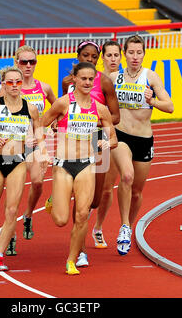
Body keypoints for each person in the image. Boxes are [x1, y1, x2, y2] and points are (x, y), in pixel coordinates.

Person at [41, 62, 117, 275]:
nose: (87, 82)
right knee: (61, 220)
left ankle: (72, 260)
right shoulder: (63, 104)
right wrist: (44, 151)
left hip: (87, 164)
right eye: (83, 78)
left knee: (83, 214)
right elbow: (39, 125)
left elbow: (113, 138)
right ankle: (53, 201)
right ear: (74, 78)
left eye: (90, 79)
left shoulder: (99, 109)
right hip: (63, 165)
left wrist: (105, 142)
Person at [0, 66, 47, 271]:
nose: (14, 86)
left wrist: (42, 151)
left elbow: (38, 132)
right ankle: (2, 243)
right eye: (10, 82)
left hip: (18, 161)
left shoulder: (30, 108)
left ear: (22, 84)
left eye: (18, 82)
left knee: (12, 210)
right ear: (3, 84)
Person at [103, 34, 174, 256]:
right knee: (126, 176)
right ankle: (124, 226)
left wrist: (152, 100)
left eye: (139, 52)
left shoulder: (151, 77)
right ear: (125, 54)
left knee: (137, 192)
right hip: (121, 135)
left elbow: (170, 106)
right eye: (131, 52)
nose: (135, 57)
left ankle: (129, 225)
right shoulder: (114, 78)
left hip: (144, 139)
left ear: (144, 54)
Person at [0, 45, 56, 256]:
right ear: (16, 63)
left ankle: (29, 215)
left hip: (36, 143)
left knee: (38, 182)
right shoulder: (8, 88)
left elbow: (58, 107)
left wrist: (55, 123)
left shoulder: (44, 87)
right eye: (24, 62)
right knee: (14, 192)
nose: (28, 66)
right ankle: (11, 234)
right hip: (13, 145)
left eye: (32, 61)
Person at [91, 40, 123, 248]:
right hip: (95, 133)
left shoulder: (128, 78)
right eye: (109, 55)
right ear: (102, 57)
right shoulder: (94, 79)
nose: (113, 59)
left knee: (106, 188)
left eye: (116, 55)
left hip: (119, 135)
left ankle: (98, 228)